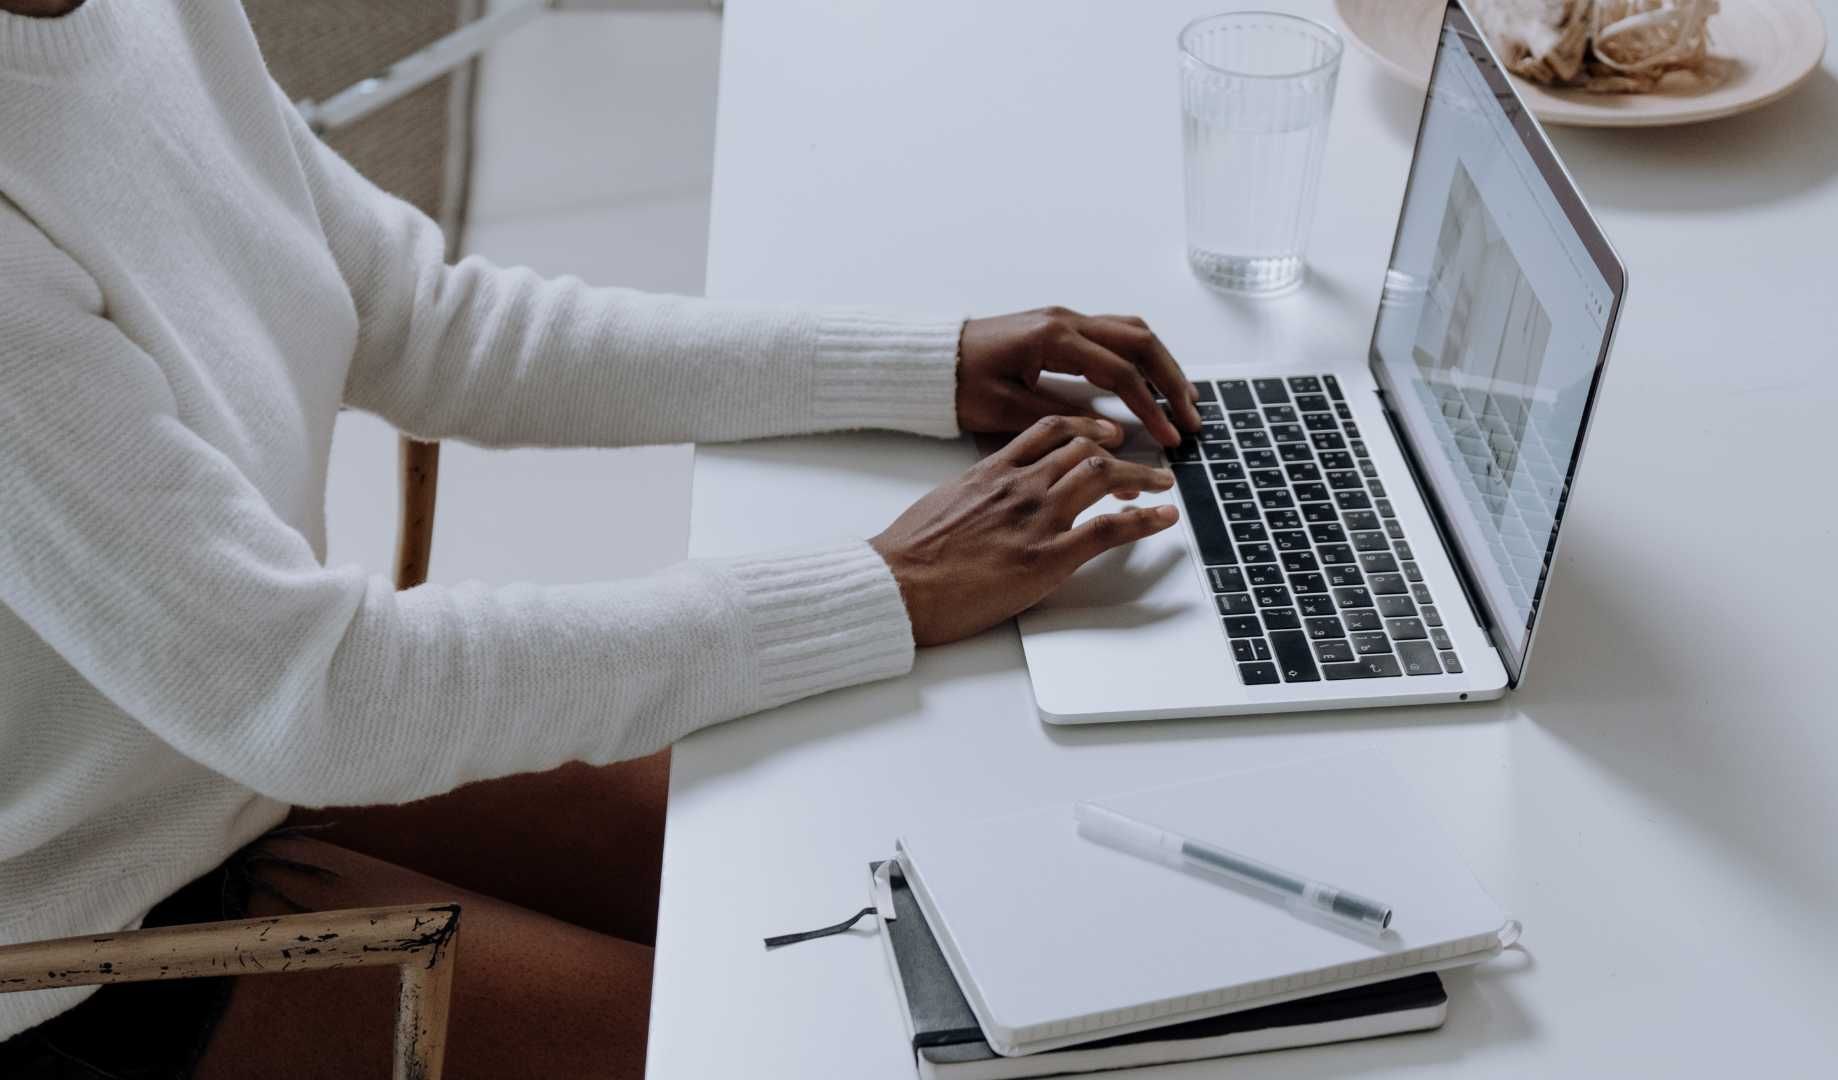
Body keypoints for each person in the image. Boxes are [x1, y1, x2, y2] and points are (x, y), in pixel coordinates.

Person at [0, 0, 1200, 1075]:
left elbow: (421, 318)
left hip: (226, 759)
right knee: (806, 1036)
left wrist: (913, 365)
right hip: (74, 951)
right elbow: (324, 692)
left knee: (865, 872)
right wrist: (886, 585)